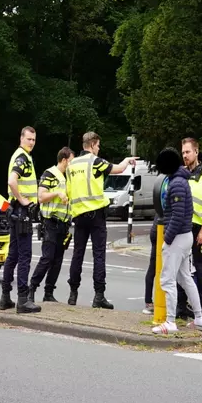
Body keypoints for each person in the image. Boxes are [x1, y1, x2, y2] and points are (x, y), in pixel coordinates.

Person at [66, 132, 138, 309]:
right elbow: (118, 169)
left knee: (78, 255)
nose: (99, 149)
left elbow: (69, 191)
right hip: (96, 214)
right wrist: (128, 160)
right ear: (92, 145)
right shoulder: (94, 161)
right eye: (98, 146)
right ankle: (99, 296)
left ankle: (72, 294)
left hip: (78, 215)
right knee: (98, 255)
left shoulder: (71, 164)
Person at [151, 148, 202, 334]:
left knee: (167, 279)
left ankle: (170, 322)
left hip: (177, 238)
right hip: (186, 237)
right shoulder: (183, 181)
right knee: (185, 278)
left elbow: (176, 216)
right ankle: (199, 318)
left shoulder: (175, 184)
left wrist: (167, 239)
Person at [0, 126, 41, 313]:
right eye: (29, 139)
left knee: (13, 255)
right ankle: (22, 300)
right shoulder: (22, 158)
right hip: (22, 213)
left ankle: (5, 297)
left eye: (33, 139)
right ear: (21, 138)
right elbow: (11, 181)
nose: (31, 142)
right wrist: (23, 200)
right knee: (24, 257)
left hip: (15, 212)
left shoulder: (19, 155)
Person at [29, 147, 75, 304]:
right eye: (71, 162)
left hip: (63, 224)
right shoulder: (50, 174)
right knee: (47, 258)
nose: (72, 165)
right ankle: (32, 289)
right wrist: (57, 193)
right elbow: (41, 197)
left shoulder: (69, 177)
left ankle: (48, 293)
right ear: (63, 160)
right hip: (50, 222)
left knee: (58, 260)